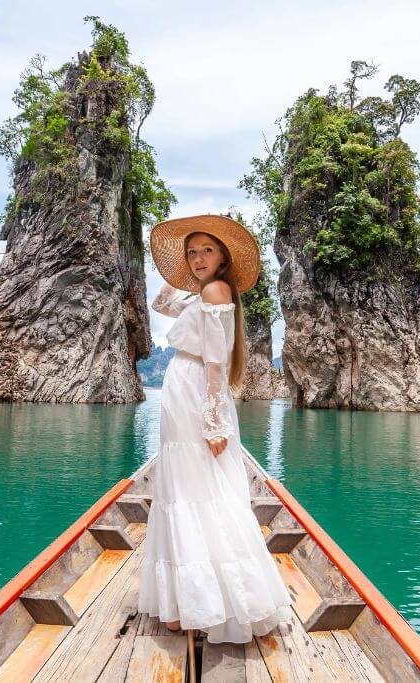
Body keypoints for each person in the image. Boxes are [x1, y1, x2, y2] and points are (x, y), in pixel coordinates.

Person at [137, 213, 293, 645]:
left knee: (196, 489)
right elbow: (161, 305)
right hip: (181, 389)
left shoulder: (218, 289)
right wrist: (184, 273)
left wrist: (212, 421)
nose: (199, 257)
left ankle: (205, 604)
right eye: (192, 251)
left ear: (224, 256)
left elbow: (215, 360)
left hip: (195, 392)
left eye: (207, 250)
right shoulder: (202, 292)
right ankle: (184, 602)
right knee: (183, 489)